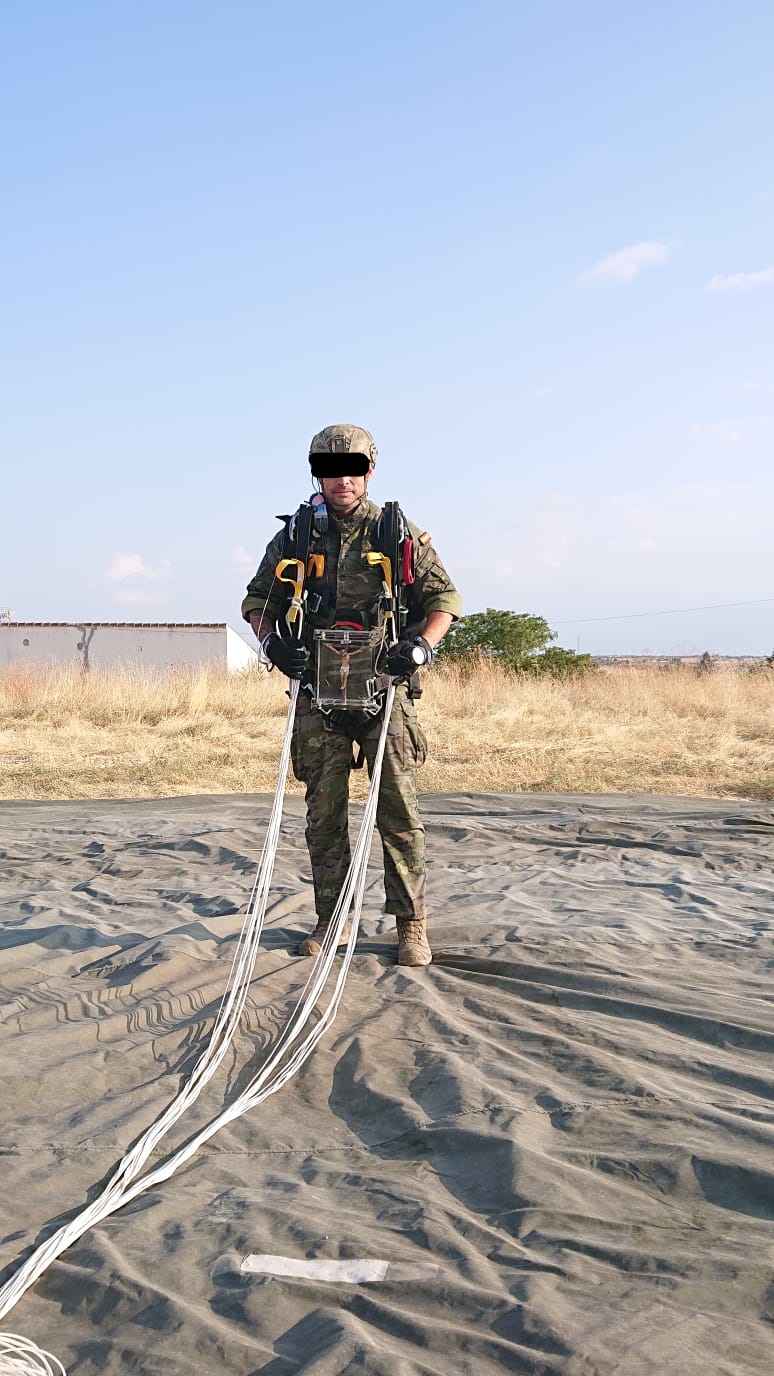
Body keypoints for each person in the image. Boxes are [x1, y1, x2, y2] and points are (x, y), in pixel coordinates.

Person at [241, 423, 461, 967]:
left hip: (384, 690)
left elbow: (445, 601)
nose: (343, 479)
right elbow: (256, 601)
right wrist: (272, 643)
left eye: (353, 468)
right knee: (324, 815)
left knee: (398, 812)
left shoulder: (395, 533)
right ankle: (331, 919)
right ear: (316, 472)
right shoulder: (297, 537)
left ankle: (411, 925)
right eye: (330, 469)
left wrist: (419, 649)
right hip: (319, 693)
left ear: (370, 470)